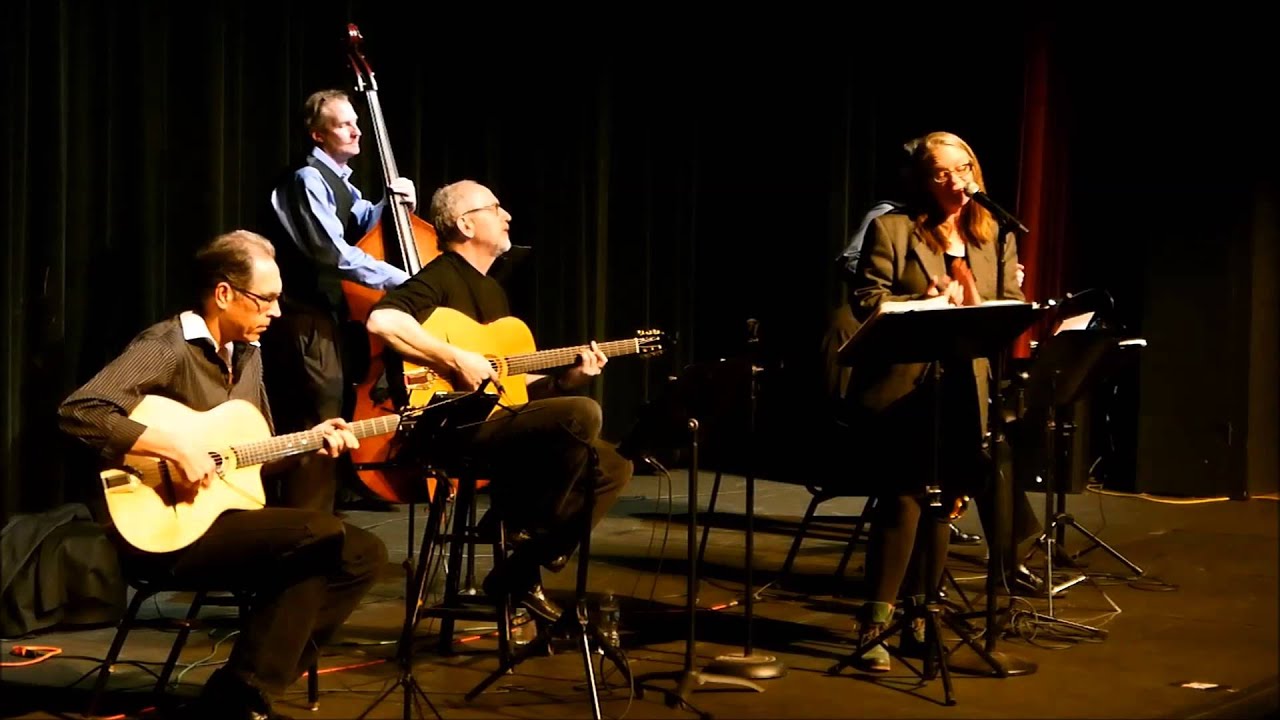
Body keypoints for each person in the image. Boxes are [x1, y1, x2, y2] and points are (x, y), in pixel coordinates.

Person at [58, 230, 387, 719]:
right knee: (318, 532)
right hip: (161, 528)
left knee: (363, 553)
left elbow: (251, 453)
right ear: (224, 294)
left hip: (222, 516)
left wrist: (311, 443)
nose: (276, 313)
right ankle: (242, 696)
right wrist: (174, 446)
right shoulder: (168, 345)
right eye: (267, 300)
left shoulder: (248, 355)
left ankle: (243, 690)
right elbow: (79, 410)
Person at [365, 179, 633, 623]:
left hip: (496, 422)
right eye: (495, 207)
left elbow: (511, 386)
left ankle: (517, 569)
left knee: (613, 465)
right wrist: (453, 357)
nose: (507, 215)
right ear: (466, 224)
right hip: (451, 428)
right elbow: (382, 320)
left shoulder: (492, 290)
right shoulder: (441, 275)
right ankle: (518, 521)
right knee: (584, 414)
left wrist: (566, 378)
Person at [840, 131, 1025, 672]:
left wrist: (990, 303)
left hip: (965, 387)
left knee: (945, 500)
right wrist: (919, 300)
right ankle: (874, 623)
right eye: (942, 172)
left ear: (976, 171)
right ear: (925, 180)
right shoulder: (893, 229)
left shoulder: (997, 236)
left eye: (963, 167)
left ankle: (922, 620)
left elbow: (1009, 307)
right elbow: (867, 297)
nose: (956, 180)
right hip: (902, 384)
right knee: (903, 498)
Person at [261, 88, 417, 513]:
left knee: (339, 403)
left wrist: (393, 203)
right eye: (344, 124)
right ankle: (304, 518)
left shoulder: (340, 183)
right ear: (318, 135)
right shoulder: (307, 179)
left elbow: (362, 219)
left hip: (331, 312)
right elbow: (333, 252)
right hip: (302, 310)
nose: (356, 131)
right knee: (319, 414)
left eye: (356, 122)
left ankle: (331, 499)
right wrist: (403, 280)